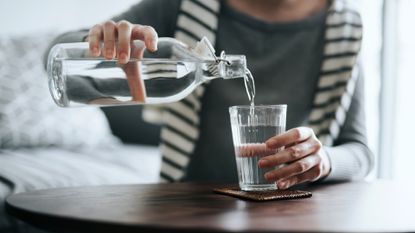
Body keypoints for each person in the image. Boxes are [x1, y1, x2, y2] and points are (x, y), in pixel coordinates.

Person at [48, 0, 374, 189]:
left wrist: (323, 159)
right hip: (189, 203)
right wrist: (101, 43)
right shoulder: (187, 6)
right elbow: (55, 56)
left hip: (296, 210)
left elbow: (360, 151)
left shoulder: (343, 27)